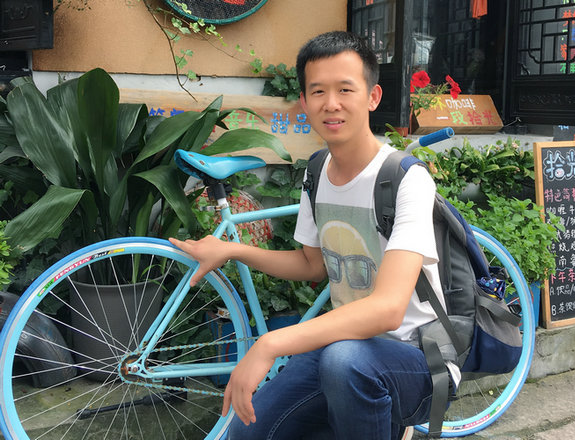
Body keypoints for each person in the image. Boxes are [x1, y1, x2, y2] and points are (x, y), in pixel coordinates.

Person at [169, 30, 452, 440]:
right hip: (347, 347)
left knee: (345, 362)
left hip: (416, 356)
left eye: (345, 89)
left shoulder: (407, 179)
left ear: (372, 97)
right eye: (318, 91)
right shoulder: (318, 171)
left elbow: (389, 309)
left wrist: (270, 344)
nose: (331, 103)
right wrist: (232, 250)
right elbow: (310, 265)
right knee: (248, 432)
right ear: (304, 102)